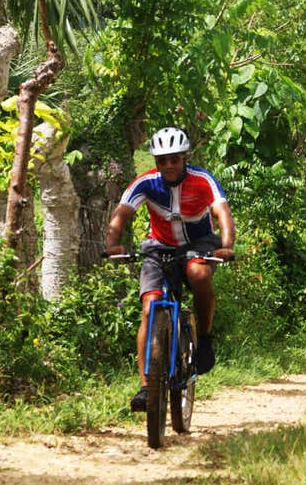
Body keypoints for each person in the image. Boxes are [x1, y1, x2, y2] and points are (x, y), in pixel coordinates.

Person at [105, 126, 235, 412]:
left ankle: (205, 338)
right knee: (150, 308)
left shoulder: (202, 180)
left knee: (198, 273)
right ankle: (145, 387)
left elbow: (222, 211)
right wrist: (113, 243)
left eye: (174, 159)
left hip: (199, 243)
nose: (168, 165)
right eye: (162, 160)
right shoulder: (146, 183)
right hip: (159, 246)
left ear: (184, 157)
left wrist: (226, 245)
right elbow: (122, 214)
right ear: (155, 162)